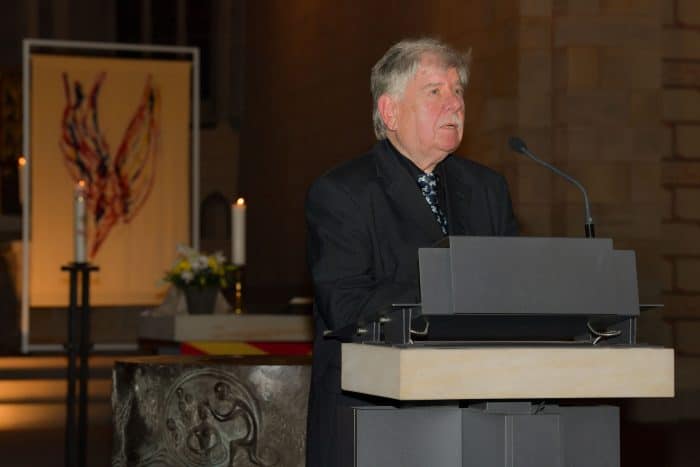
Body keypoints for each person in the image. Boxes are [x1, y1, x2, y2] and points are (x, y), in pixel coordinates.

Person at [304, 37, 518, 467]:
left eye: (458, 91)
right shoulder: (343, 192)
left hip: (476, 408)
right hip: (374, 412)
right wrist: (449, 281)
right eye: (435, 91)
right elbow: (345, 306)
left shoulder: (487, 189)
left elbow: (510, 288)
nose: (454, 104)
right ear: (391, 111)